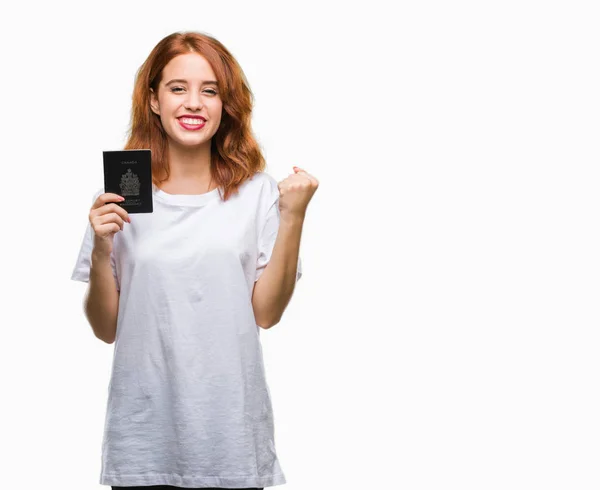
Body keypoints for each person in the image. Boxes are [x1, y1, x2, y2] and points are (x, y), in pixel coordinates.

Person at [70, 31, 319, 489]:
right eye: (177, 88)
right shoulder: (120, 199)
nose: (193, 103)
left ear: (226, 104)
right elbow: (107, 329)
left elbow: (266, 313)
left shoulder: (257, 193)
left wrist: (294, 216)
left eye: (210, 90)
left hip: (231, 441)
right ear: (153, 100)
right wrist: (103, 246)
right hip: (144, 441)